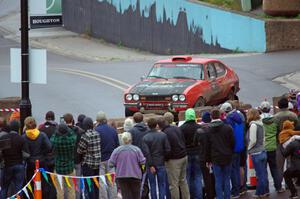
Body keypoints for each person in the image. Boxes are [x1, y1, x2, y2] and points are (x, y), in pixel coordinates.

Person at [158, 112, 190, 199]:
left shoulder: (165, 133)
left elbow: (167, 149)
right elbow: (183, 141)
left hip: (174, 160)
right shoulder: (177, 128)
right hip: (184, 156)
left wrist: (166, 159)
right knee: (183, 181)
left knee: (173, 184)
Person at [207, 108, 235, 199]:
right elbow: (232, 142)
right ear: (220, 116)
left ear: (211, 117)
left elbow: (207, 146)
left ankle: (219, 197)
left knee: (218, 179)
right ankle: (227, 197)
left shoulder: (208, 130)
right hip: (227, 156)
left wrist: (208, 159)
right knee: (227, 178)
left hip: (215, 157)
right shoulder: (227, 128)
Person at [109, 132, 146, 199]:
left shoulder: (117, 150)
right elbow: (143, 162)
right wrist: (143, 169)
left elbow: (110, 164)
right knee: (136, 195)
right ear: (131, 139)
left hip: (121, 176)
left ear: (122, 140)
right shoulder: (136, 150)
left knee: (126, 195)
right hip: (135, 176)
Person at [22, 116, 52, 198]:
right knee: (43, 182)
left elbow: (24, 152)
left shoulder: (24, 137)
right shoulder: (42, 135)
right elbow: (49, 147)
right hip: (41, 161)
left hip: (30, 163)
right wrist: (43, 153)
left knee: (30, 182)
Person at [220, 102, 245, 198]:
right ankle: (238, 188)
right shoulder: (239, 117)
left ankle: (235, 191)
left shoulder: (229, 120)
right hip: (240, 146)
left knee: (233, 171)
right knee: (237, 169)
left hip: (233, 148)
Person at [142, 117, 171, 199]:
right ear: (156, 125)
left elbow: (147, 153)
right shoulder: (163, 135)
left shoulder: (145, 138)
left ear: (148, 126)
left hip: (150, 165)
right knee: (162, 184)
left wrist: (151, 165)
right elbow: (168, 149)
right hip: (161, 163)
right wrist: (164, 158)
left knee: (152, 185)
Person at [260, 101, 284, 193]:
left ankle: (265, 190)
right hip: (273, 147)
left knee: (263, 170)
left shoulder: (259, 121)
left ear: (261, 109)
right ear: (270, 109)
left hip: (262, 147)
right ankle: (278, 187)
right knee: (274, 168)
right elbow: (278, 132)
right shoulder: (275, 121)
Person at [1, 120, 29, 198]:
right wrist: (22, 161)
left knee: (4, 188)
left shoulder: (4, 138)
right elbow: (26, 154)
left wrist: (2, 162)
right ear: (19, 128)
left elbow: (1, 153)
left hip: (7, 165)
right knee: (18, 188)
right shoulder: (21, 139)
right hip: (19, 165)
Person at [274, 97, 299, 186]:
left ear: (279, 106)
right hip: (292, 142)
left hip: (279, 142)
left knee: (279, 165)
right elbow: (297, 127)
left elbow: (274, 130)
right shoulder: (293, 115)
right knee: (290, 163)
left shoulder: (276, 117)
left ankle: (279, 185)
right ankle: (290, 183)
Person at [94, 111, 119, 199]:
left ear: (97, 120)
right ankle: (113, 197)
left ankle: (103, 197)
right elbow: (117, 145)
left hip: (100, 159)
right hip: (111, 159)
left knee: (101, 181)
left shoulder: (96, 131)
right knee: (111, 181)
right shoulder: (113, 130)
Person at [180, 108, 203, 199]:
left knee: (187, 177)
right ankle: (198, 196)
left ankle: (188, 196)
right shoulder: (199, 127)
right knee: (198, 177)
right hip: (198, 153)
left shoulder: (182, 128)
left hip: (187, 154)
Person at [77, 117, 101, 199]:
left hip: (88, 164)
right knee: (96, 184)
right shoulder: (97, 134)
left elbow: (79, 150)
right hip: (97, 163)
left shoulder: (85, 136)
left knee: (89, 185)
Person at [51, 123, 76, 199]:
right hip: (70, 167)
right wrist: (68, 130)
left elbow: (52, 137)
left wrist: (56, 131)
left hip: (58, 168)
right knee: (71, 189)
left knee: (59, 190)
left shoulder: (55, 141)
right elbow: (73, 134)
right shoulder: (71, 140)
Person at [247, 108, 269, 198]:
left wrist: (248, 149)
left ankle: (260, 193)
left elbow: (253, 140)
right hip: (263, 151)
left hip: (256, 153)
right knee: (264, 173)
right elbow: (263, 138)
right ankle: (266, 191)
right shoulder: (261, 124)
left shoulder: (253, 125)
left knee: (259, 175)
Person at [129, 112, 150, 199]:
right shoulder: (148, 130)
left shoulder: (132, 131)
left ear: (134, 120)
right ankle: (145, 195)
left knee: (137, 179)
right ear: (142, 119)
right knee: (145, 178)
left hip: (136, 159)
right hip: (146, 157)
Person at [196, 111, 215, 199]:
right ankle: (214, 192)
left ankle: (208, 194)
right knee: (213, 175)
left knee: (206, 177)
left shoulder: (200, 131)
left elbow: (195, 142)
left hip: (203, 157)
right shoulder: (213, 129)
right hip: (213, 156)